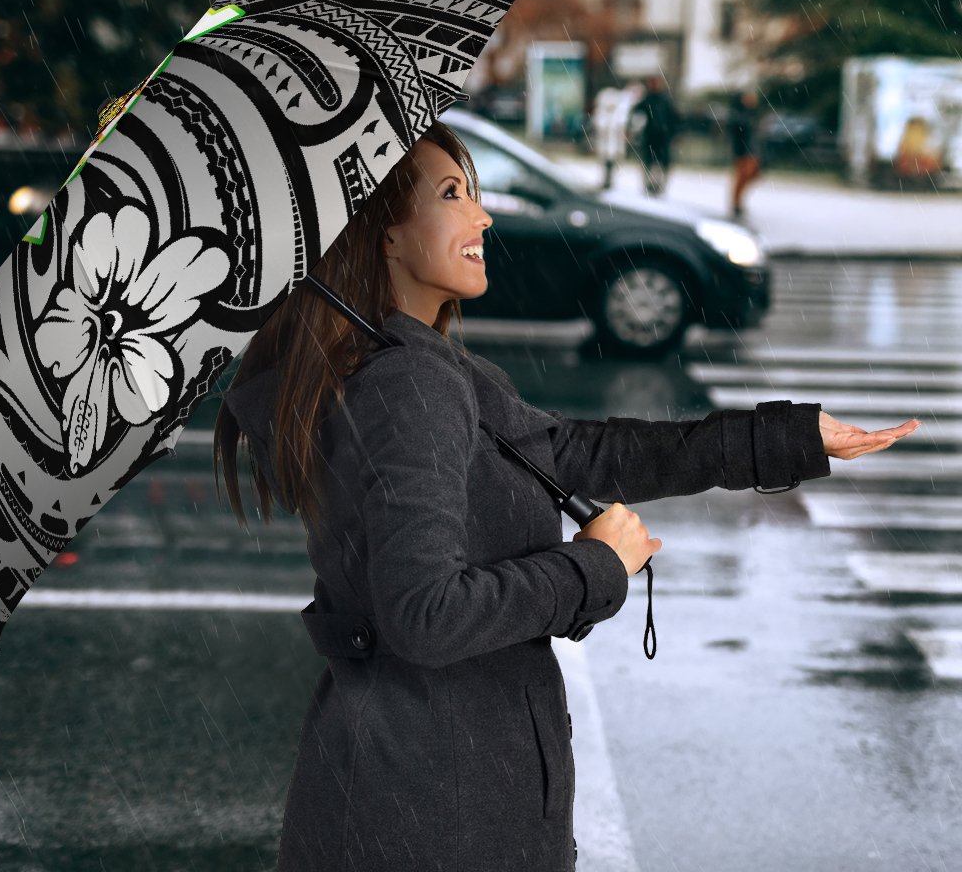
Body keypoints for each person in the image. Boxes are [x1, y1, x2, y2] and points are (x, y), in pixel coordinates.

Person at [215, 120, 920, 872]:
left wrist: (785, 438)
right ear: (385, 235)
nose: (482, 216)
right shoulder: (408, 385)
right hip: (433, 809)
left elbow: (581, 454)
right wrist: (592, 567)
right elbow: (425, 616)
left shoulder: (421, 368)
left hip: (425, 788)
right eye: (453, 194)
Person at [629, 75, 680, 197]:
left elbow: (674, 118)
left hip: (662, 137)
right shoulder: (648, 99)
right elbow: (636, 112)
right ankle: (649, 184)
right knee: (649, 161)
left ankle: (658, 185)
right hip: (651, 136)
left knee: (660, 162)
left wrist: (674, 133)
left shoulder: (664, 100)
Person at [728, 88, 762, 218]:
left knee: (752, 174)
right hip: (743, 150)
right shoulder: (738, 114)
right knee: (742, 177)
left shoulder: (752, 114)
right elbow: (737, 133)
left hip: (752, 150)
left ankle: (738, 202)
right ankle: (736, 203)